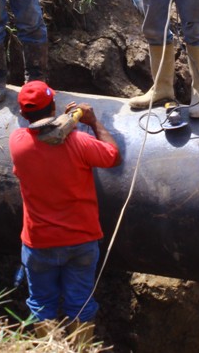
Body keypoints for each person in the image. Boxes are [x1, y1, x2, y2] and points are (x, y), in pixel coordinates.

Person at [10, 80, 121, 345]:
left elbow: (42, 134)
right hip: (80, 242)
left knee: (41, 303)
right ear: (53, 106)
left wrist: (66, 119)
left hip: (39, 244)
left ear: (23, 114)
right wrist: (91, 122)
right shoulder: (80, 142)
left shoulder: (17, 142)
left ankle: (48, 350)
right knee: (80, 304)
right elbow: (112, 156)